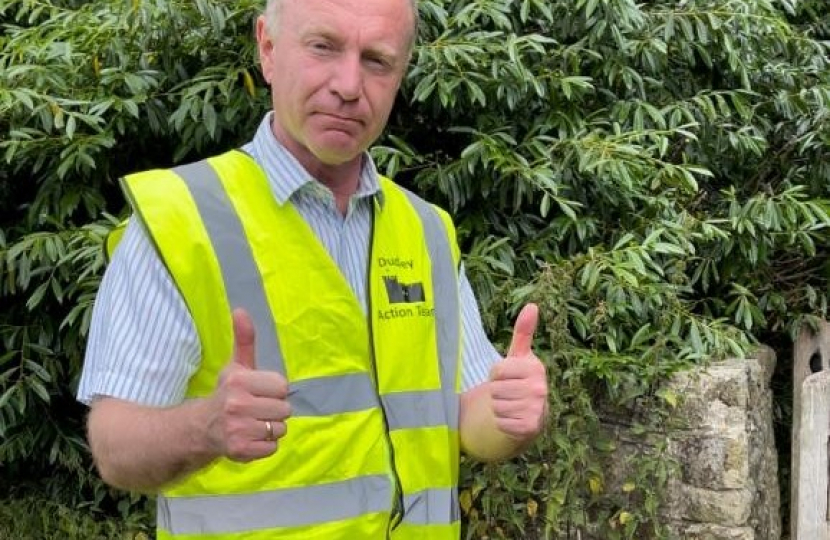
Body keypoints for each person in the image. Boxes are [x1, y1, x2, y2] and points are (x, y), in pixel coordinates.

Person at [77, 0, 548, 538]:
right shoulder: (182, 220)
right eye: (323, 46)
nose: (349, 85)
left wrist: (512, 415)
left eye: (377, 60)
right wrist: (205, 426)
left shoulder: (428, 232)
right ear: (269, 49)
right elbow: (115, 448)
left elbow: (468, 418)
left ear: (401, 74)